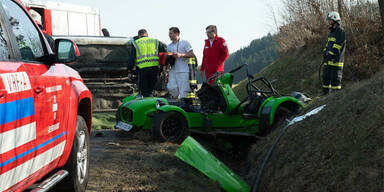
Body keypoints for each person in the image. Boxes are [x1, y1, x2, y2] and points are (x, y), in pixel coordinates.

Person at [128, 29, 165, 97]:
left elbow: (132, 58)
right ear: (147, 35)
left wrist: (130, 69)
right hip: (154, 69)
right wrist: (161, 69)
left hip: (143, 70)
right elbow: (162, 56)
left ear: (139, 35)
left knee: (144, 91)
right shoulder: (156, 41)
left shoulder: (136, 43)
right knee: (151, 90)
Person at [166, 27, 195, 99]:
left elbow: (191, 54)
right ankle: (176, 98)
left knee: (183, 92)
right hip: (172, 70)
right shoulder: (169, 46)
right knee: (170, 87)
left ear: (177, 33)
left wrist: (181, 55)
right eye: (169, 34)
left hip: (183, 71)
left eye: (171, 33)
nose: (169, 35)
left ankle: (183, 106)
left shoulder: (185, 42)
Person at [322, 11, 346, 95]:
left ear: (334, 19)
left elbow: (337, 46)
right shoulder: (331, 32)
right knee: (325, 79)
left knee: (335, 81)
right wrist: (324, 52)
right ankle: (325, 97)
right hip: (328, 61)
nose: (329, 21)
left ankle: (336, 98)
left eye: (330, 19)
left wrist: (330, 54)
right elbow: (328, 45)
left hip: (336, 61)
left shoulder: (340, 31)